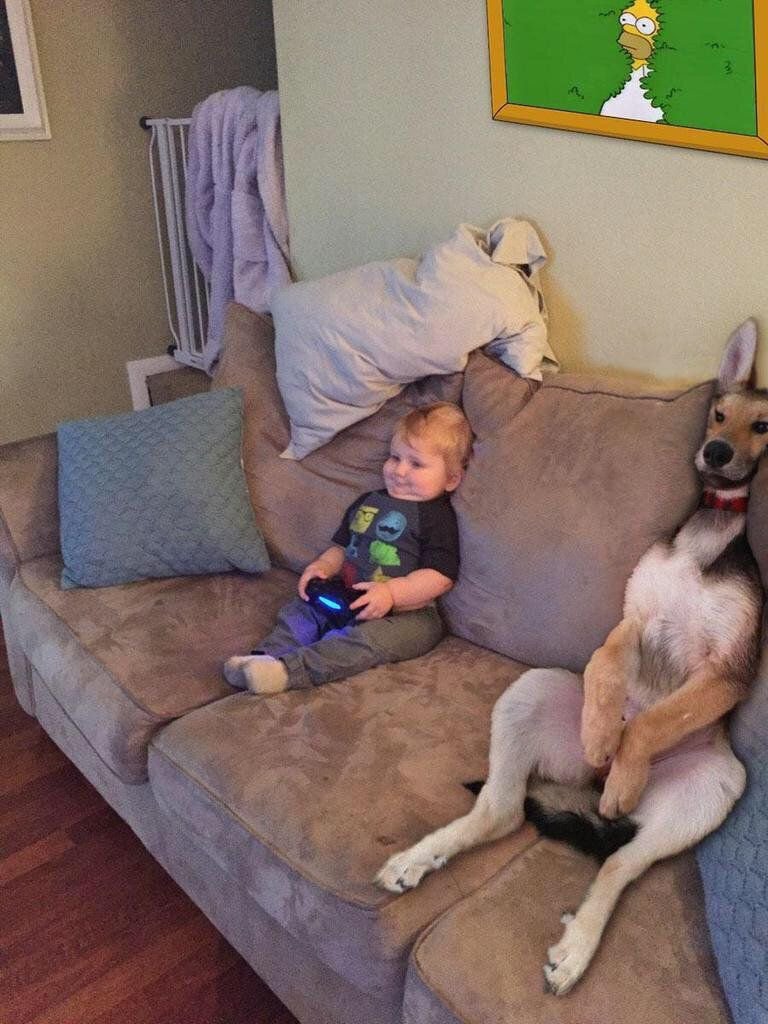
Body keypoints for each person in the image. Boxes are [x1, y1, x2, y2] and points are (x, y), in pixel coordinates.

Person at [224, 402, 473, 695]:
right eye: (394, 457)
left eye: (416, 464)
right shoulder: (368, 501)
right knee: (300, 611)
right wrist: (322, 567)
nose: (399, 470)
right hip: (346, 595)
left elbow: (440, 576)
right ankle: (264, 658)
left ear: (452, 479)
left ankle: (288, 673)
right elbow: (342, 548)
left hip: (408, 615)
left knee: (362, 643)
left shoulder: (436, 517)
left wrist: (391, 594)